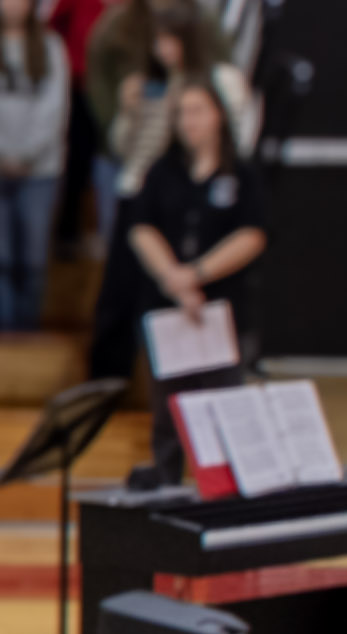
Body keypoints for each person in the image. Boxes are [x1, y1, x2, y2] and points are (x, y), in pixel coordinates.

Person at [97, 75, 266, 401]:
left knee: (225, 404)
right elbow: (141, 226)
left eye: (197, 111)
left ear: (218, 114)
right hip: (166, 304)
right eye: (181, 113)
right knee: (170, 411)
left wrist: (197, 274)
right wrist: (173, 278)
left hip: (221, 305)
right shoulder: (162, 170)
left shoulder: (242, 173)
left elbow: (253, 233)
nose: (188, 121)